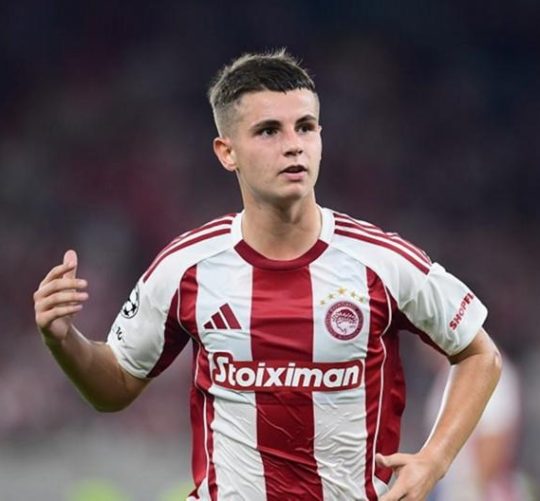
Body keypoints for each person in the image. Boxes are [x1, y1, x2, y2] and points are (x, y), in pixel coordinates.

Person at [33, 50, 502, 501]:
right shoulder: (185, 267)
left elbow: (480, 354)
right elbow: (115, 387)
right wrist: (63, 339)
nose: (293, 144)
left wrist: (435, 460)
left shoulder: (383, 261)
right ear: (227, 152)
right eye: (268, 130)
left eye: (305, 127)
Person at [425, 351, 525, 501]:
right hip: (451, 492)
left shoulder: (487, 364)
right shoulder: (447, 372)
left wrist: (473, 494)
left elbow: (492, 442)